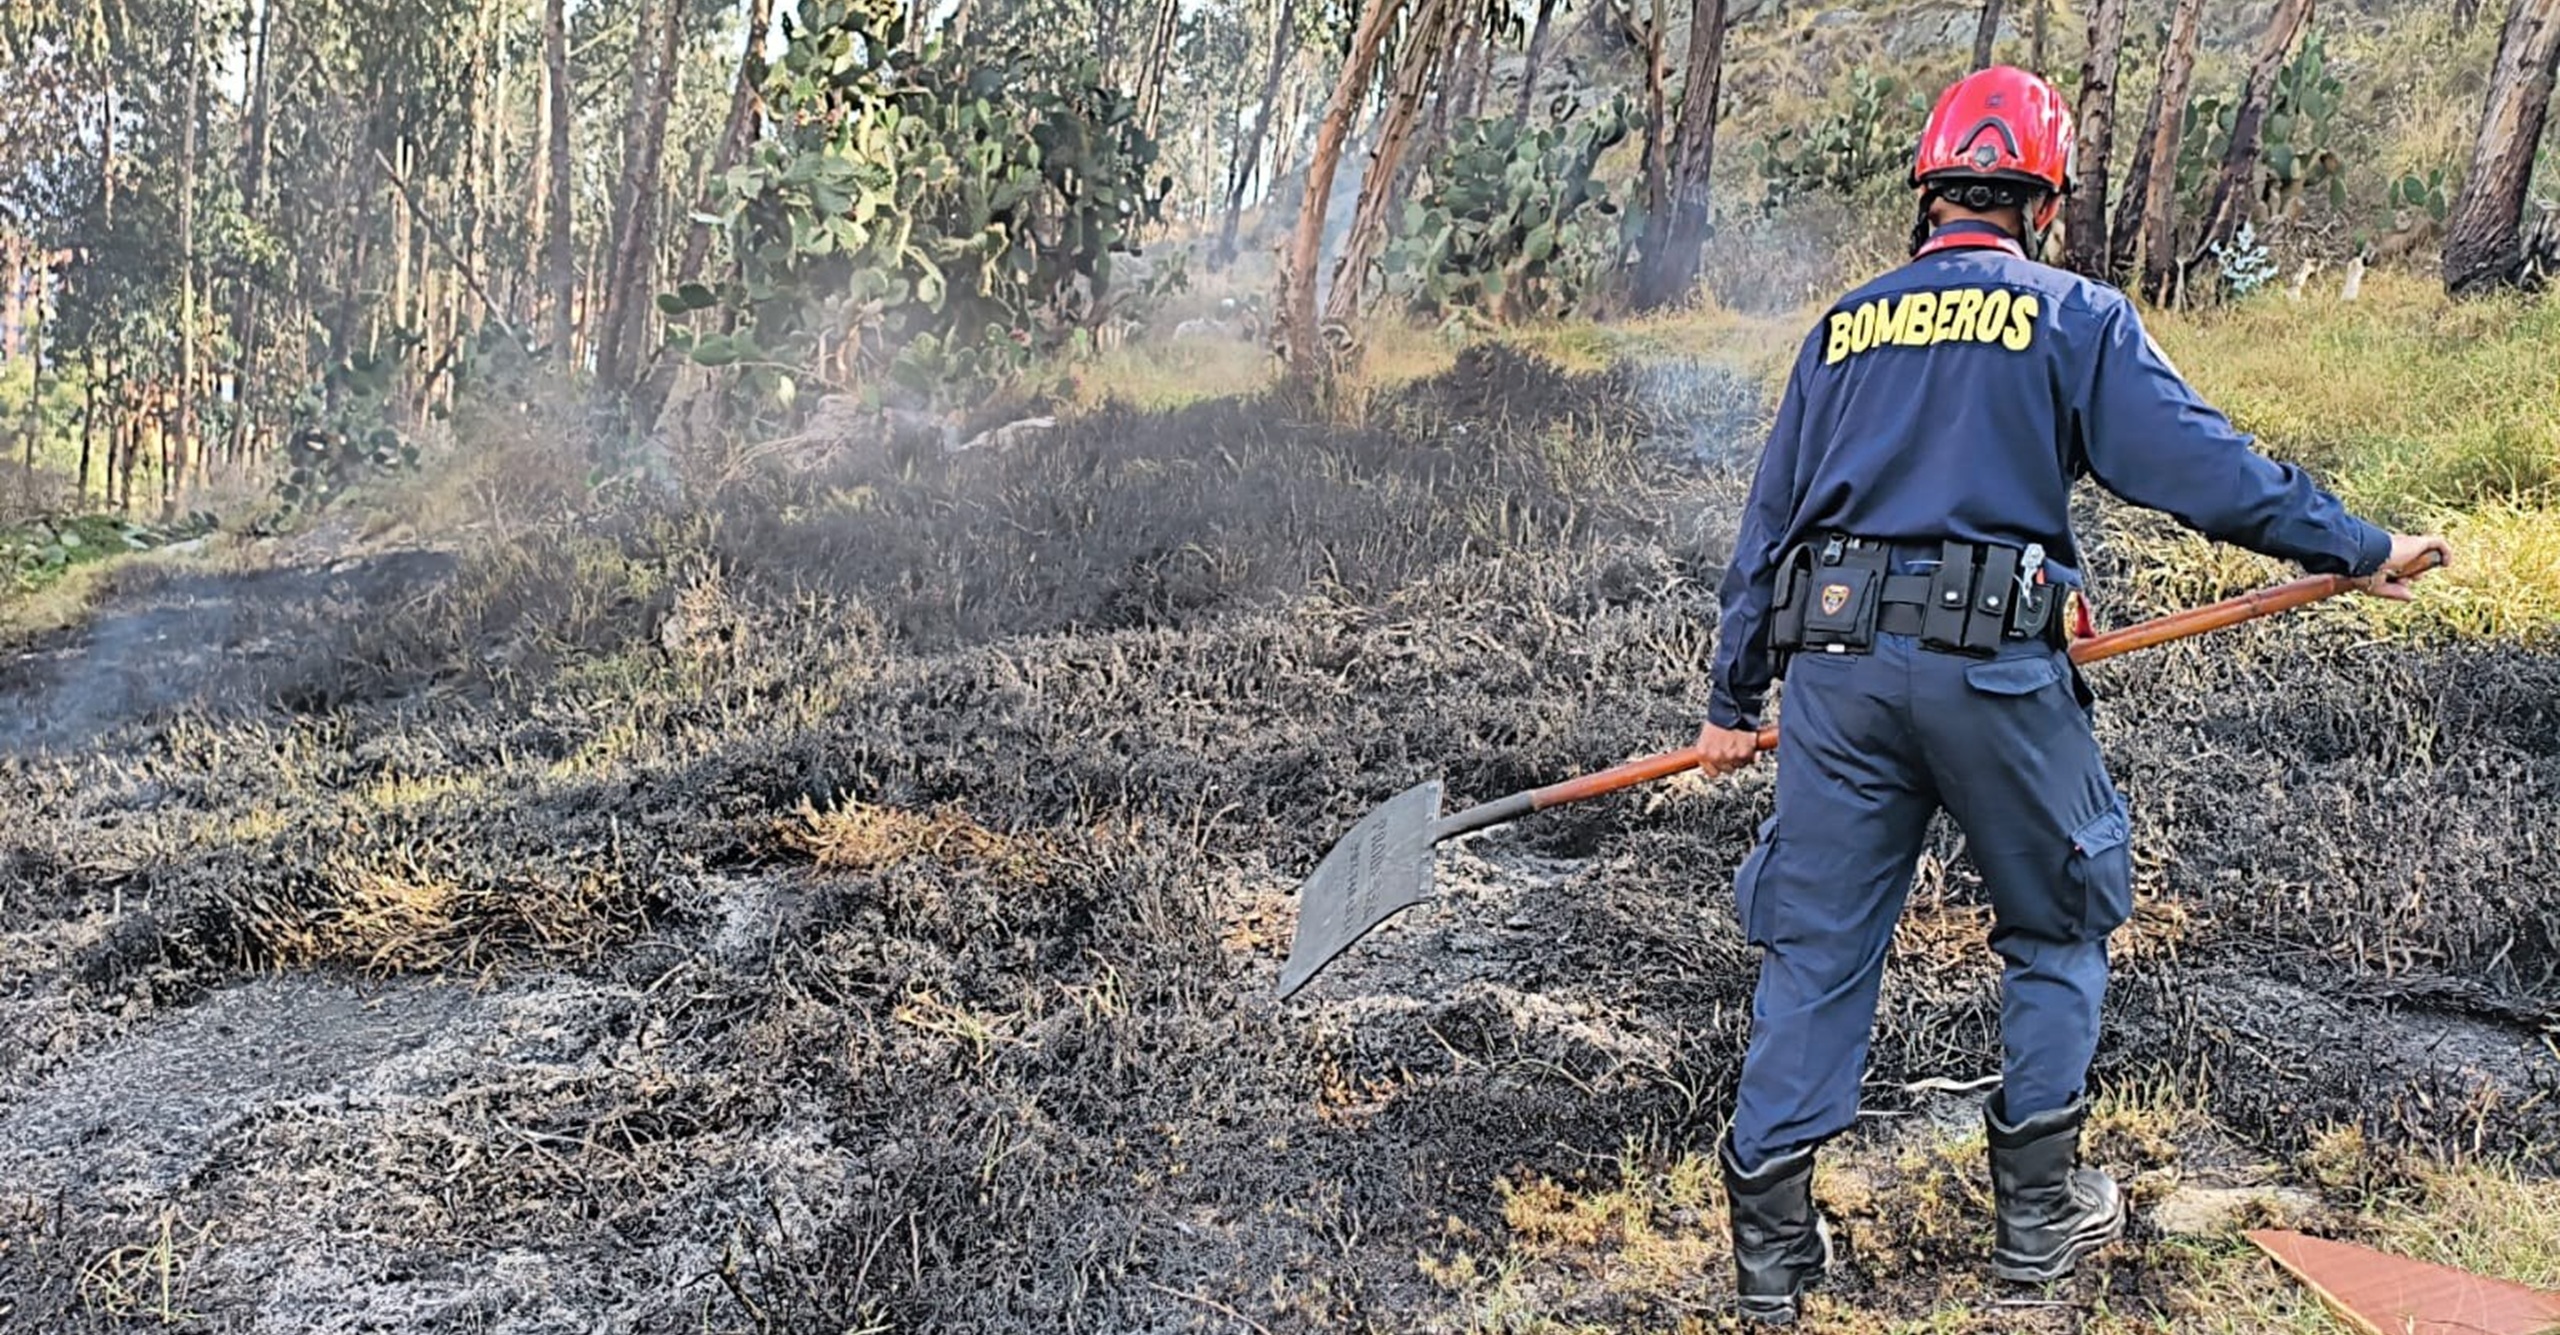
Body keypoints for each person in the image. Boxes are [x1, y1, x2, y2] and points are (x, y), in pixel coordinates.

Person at [1691, 65, 2451, 1323]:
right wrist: (2356, 546)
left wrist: (1732, 699)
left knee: (1815, 951)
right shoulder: (2069, 315)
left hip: (1832, 681)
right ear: (2040, 200)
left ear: (1929, 196)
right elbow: (2201, 467)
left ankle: (1771, 1265)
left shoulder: (1842, 327)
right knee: (2057, 925)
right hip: (1992, 676)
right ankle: (2037, 1227)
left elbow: (1769, 527)